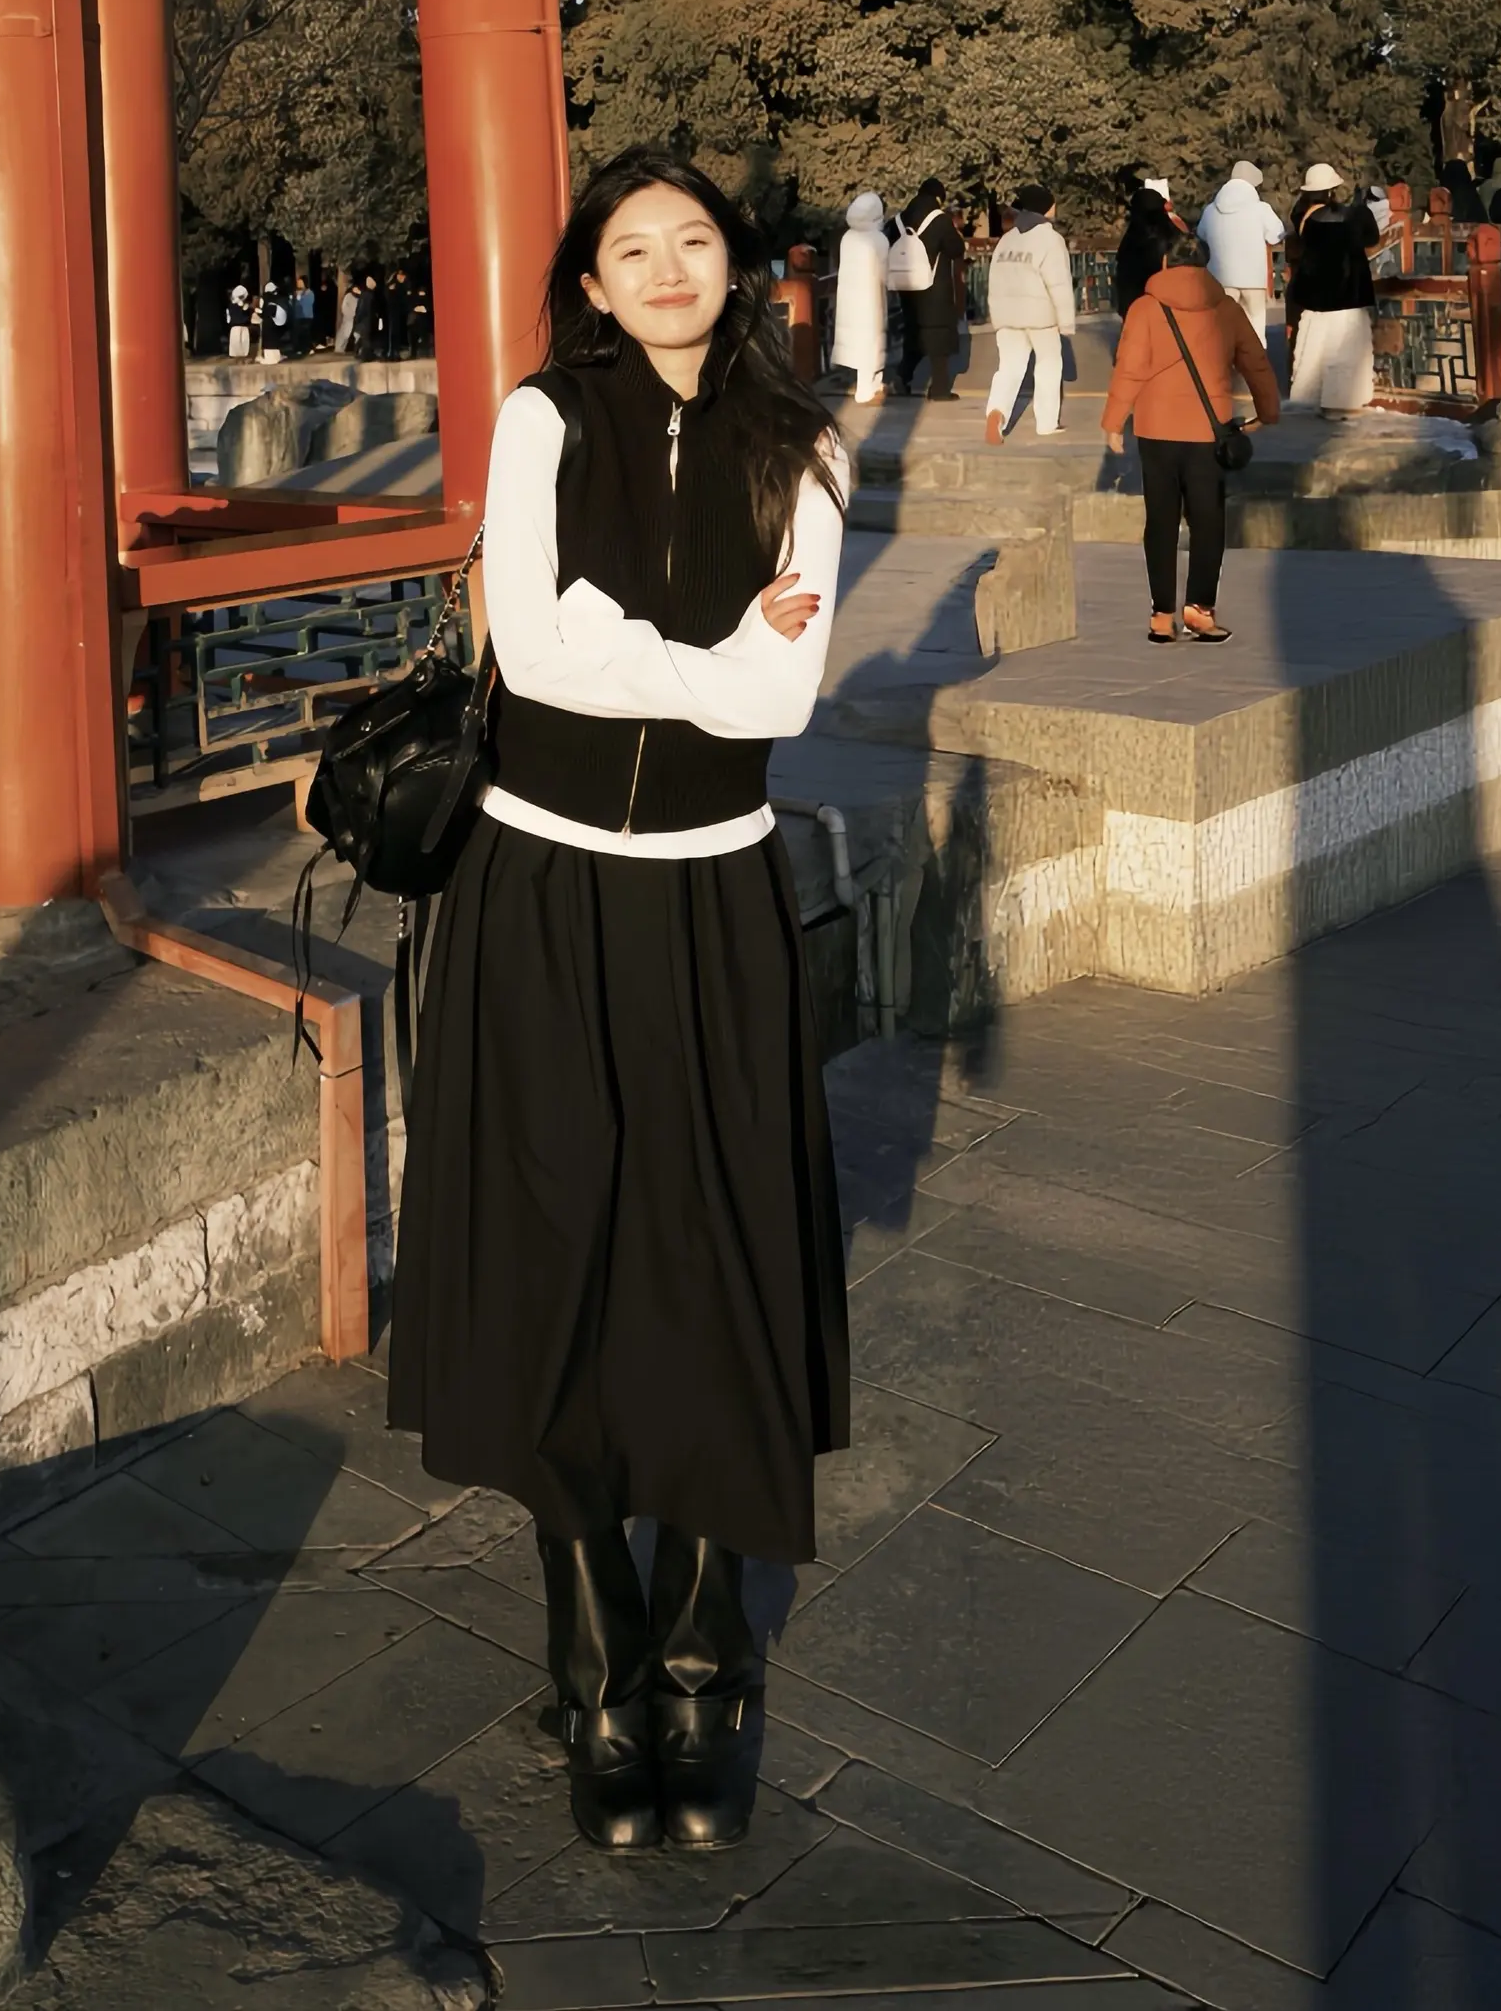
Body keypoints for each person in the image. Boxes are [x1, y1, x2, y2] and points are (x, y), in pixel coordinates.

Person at [390, 149, 850, 1859]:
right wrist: (710, 657)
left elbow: (783, 698)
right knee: (554, 1256)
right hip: (544, 889)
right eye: (631, 247)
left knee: (718, 1259)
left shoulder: (801, 447)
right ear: (588, 281)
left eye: (695, 241)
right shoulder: (544, 423)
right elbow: (536, 647)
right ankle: (594, 1655)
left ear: (738, 266)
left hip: (718, 896)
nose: (666, 268)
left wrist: (660, 657)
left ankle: (710, 1650)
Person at [1102, 230, 1279, 641]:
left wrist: (1114, 421)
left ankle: (1161, 615)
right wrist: (1268, 411)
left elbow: (1129, 367)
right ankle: (1200, 609)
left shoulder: (1145, 309)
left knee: (1161, 520)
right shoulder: (1226, 308)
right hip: (1208, 431)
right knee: (1208, 520)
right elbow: (1255, 362)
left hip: (1156, 429)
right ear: (1205, 265)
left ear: (1166, 263)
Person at [1284, 164, 1380, 415]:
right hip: (1348, 296)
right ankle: (1340, 402)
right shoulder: (1353, 216)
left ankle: (1307, 399)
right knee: (1345, 352)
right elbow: (1372, 237)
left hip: (1315, 300)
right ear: (1331, 191)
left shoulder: (1303, 218)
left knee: (1313, 351)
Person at [982, 185, 1075, 441]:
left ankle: (997, 412)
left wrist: (996, 313)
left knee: (1008, 367)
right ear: (1045, 208)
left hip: (1007, 316)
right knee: (1048, 365)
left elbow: (994, 279)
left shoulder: (1007, 239)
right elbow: (1059, 283)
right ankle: (1046, 422)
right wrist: (1066, 322)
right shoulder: (1050, 239)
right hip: (1040, 316)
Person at [885, 178, 965, 399]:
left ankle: (902, 377)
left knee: (914, 333)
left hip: (906, 286)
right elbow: (955, 249)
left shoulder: (898, 220)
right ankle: (939, 389)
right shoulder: (939, 220)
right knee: (939, 335)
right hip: (934, 287)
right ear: (938, 197)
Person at [1196, 162, 1285, 347]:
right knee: (1255, 329)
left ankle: (1226, 364)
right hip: (1253, 279)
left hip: (1220, 279)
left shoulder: (1210, 210)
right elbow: (1276, 235)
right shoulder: (1261, 208)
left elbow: (1201, 234)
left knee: (1223, 331)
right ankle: (1256, 362)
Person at [831, 192, 890, 405]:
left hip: (850, 299)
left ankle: (871, 385)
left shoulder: (848, 238)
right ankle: (868, 389)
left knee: (859, 342)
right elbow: (884, 273)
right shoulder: (878, 239)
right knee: (872, 342)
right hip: (871, 297)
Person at [1112, 177, 1183, 319]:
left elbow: (1124, 286)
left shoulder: (1129, 241)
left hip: (1137, 315)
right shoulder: (1174, 237)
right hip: (1170, 313)